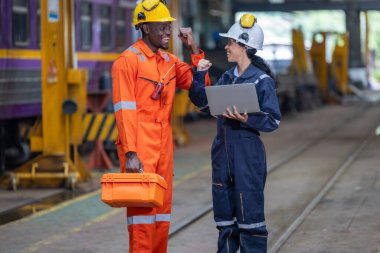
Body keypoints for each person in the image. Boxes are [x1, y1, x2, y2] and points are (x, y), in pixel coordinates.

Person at [111, 0, 208, 252]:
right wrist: (131, 152)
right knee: (142, 217)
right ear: (145, 28)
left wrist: (193, 48)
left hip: (163, 146)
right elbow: (124, 111)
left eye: (168, 27)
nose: (167, 32)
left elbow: (201, 85)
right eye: (161, 27)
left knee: (162, 216)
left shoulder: (170, 62)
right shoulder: (127, 62)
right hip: (140, 147)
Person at [191, 13, 281, 253]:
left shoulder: (262, 81)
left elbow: (273, 120)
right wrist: (199, 74)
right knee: (225, 223)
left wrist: (247, 119)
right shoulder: (227, 78)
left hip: (247, 156)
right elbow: (203, 105)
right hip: (222, 154)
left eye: (230, 43)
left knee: (250, 223)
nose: (226, 47)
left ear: (245, 46)